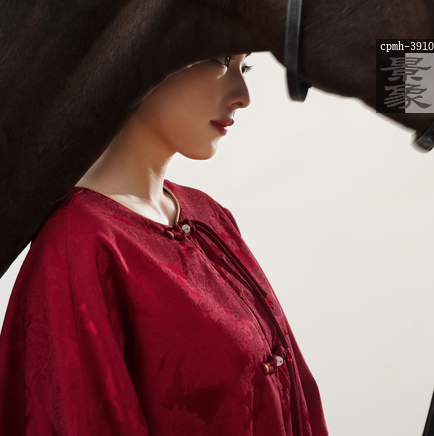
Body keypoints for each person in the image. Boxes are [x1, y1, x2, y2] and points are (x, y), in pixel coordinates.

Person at [0, 55, 328, 436]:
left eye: (246, 67)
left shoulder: (209, 214)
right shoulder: (80, 244)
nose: (243, 96)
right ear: (148, 52)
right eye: (221, 60)